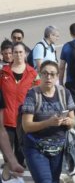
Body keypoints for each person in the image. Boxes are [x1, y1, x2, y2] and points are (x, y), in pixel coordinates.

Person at [21, 60, 75, 183]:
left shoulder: (64, 93)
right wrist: (48, 122)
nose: (48, 77)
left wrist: (68, 121)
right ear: (40, 75)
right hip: (36, 148)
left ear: (57, 76)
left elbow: (74, 121)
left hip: (58, 149)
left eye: (52, 74)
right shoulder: (32, 94)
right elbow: (26, 126)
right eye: (45, 73)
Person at [0, 42, 39, 179]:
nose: (18, 55)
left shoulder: (33, 73)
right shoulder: (3, 71)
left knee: (21, 150)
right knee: (7, 149)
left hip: (24, 119)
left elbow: (39, 94)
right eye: (15, 52)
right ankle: (6, 167)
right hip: (7, 118)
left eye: (20, 52)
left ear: (25, 54)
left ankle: (18, 172)